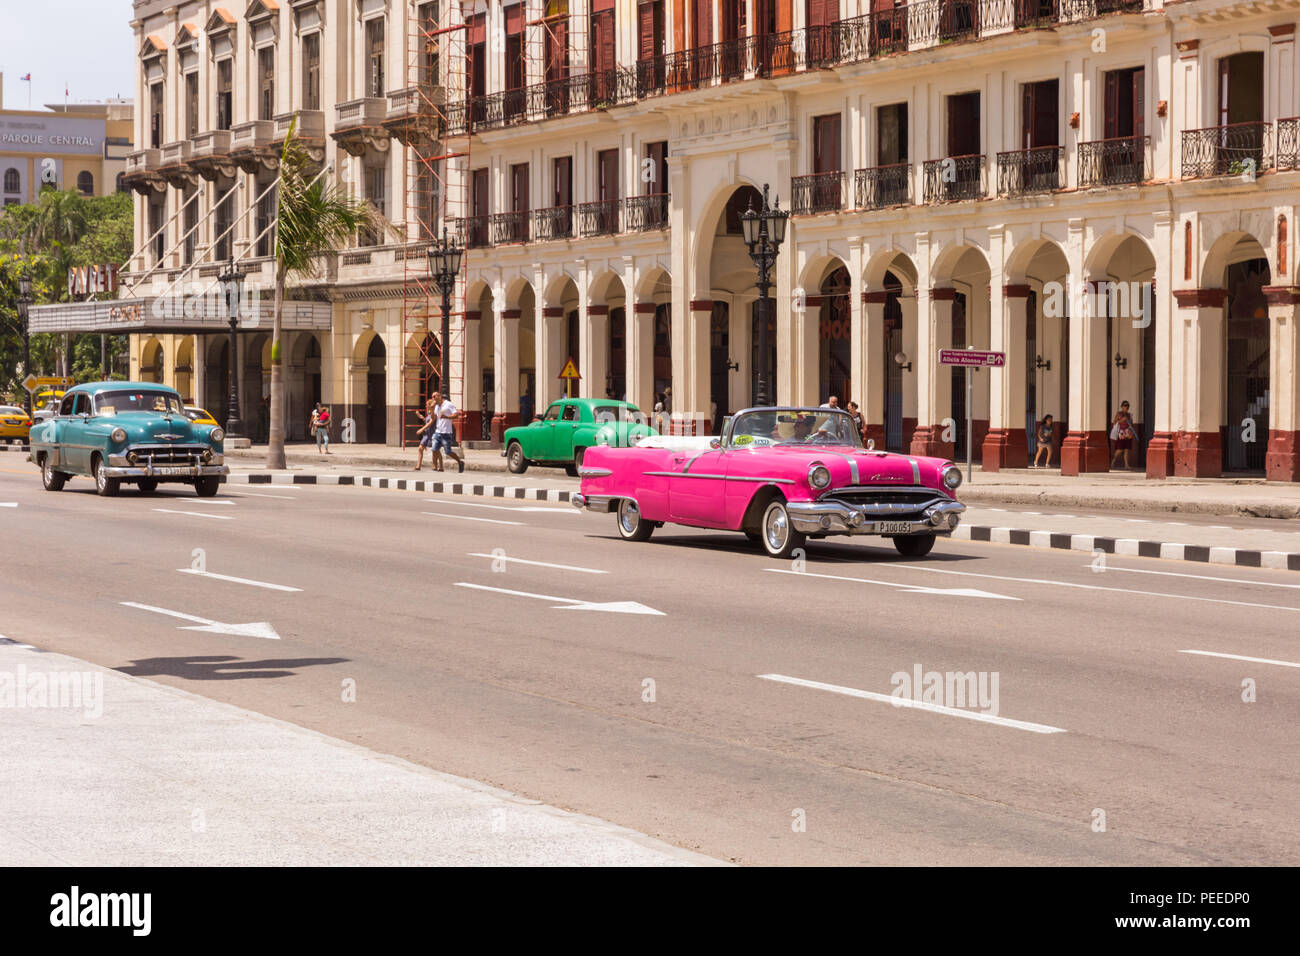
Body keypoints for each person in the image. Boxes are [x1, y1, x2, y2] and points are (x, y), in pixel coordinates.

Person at [431, 390, 465, 473]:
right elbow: (434, 417)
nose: (434, 398)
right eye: (432, 397)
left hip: (446, 432)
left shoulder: (448, 404)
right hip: (438, 431)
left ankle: (460, 462)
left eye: (435, 396)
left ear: (440, 396)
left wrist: (446, 417)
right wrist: (431, 409)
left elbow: (456, 415)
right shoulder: (436, 406)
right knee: (434, 449)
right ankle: (435, 466)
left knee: (448, 452)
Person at [1110, 400, 1135, 469]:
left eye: (1127, 406)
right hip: (1120, 433)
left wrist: (1131, 431)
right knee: (1120, 449)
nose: (1126, 407)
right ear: (1121, 406)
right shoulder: (1119, 414)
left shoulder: (1129, 415)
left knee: (1127, 449)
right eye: (1124, 406)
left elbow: (1131, 424)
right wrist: (1122, 420)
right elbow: (1114, 423)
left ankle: (1126, 465)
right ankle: (1113, 461)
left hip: (1128, 433)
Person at [414, 399, 436, 470]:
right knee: (420, 448)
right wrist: (419, 415)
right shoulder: (429, 412)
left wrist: (421, 429)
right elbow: (426, 420)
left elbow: (430, 423)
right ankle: (418, 465)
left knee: (435, 451)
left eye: (427, 404)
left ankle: (436, 465)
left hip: (433, 434)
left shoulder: (434, 413)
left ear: (430, 405)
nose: (426, 406)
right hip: (427, 434)